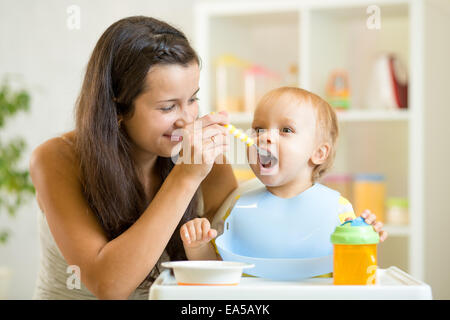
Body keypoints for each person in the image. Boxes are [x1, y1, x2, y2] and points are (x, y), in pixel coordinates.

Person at [29, 16, 237, 300]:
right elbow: (109, 286)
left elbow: (225, 265)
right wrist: (185, 177)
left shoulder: (206, 162)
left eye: (192, 99)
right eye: (167, 107)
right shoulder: (56, 158)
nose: (187, 119)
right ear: (117, 107)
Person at [180, 87, 388, 266]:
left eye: (286, 130)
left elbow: (353, 273)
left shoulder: (338, 211)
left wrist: (364, 241)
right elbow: (217, 272)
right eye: (259, 129)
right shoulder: (237, 208)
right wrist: (198, 247)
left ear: (318, 153)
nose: (265, 137)